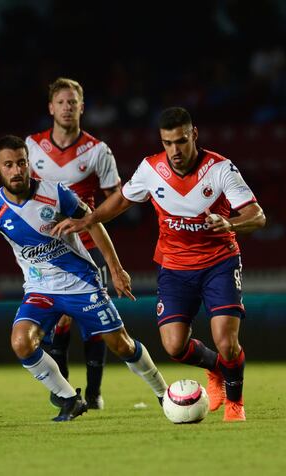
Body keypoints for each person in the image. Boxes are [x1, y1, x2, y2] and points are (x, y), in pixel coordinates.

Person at [52, 107, 266, 422]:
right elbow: (123, 199)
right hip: (175, 267)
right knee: (174, 347)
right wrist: (89, 219)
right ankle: (218, 371)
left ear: (193, 135)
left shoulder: (220, 169)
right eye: (168, 143)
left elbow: (257, 216)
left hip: (218, 262)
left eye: (180, 141)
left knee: (226, 341)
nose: (175, 150)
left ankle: (235, 403)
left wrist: (230, 223)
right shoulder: (151, 169)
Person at [0, 135, 167, 422]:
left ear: (29, 164)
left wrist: (115, 269)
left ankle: (163, 392)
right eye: (8, 165)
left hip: (81, 284)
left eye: (21, 163)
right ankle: (69, 399)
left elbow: (92, 224)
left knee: (122, 345)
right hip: (40, 289)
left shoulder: (56, 193)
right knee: (21, 342)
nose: (16, 170)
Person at [26, 77, 121, 410]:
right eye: (61, 102)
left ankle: (93, 393)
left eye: (73, 102)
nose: (67, 107)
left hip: (88, 245)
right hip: (49, 248)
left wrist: (92, 219)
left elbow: (116, 199)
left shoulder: (98, 151)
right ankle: (66, 392)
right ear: (51, 107)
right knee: (59, 321)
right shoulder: (31, 147)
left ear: (83, 107)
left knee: (92, 319)